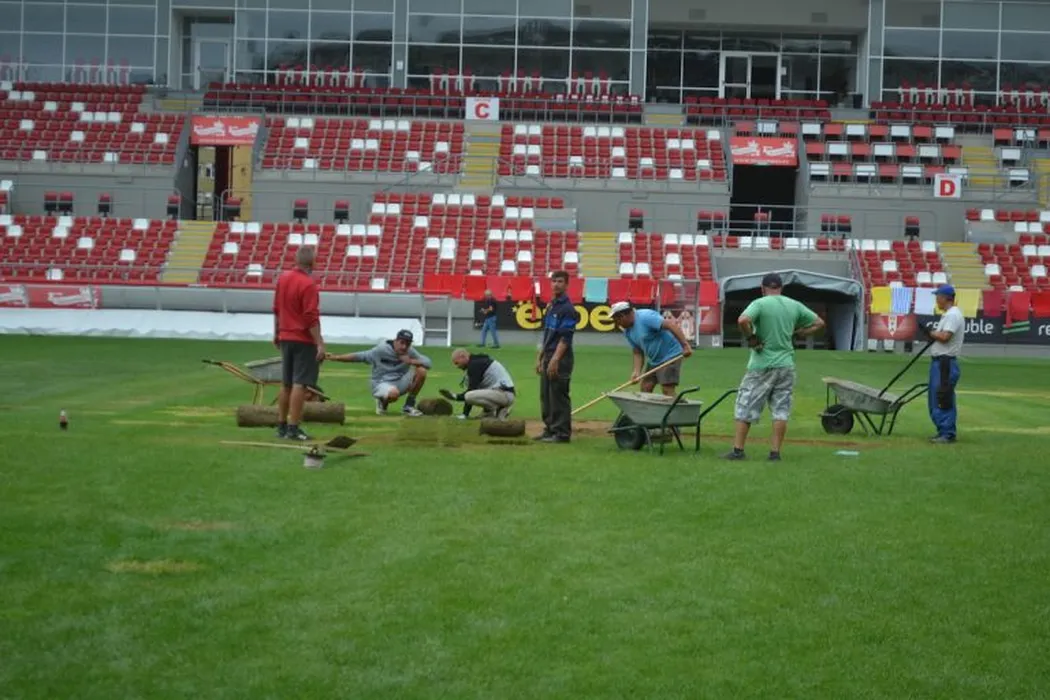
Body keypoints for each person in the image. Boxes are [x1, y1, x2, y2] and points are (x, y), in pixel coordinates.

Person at [725, 273, 825, 461]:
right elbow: (819, 323)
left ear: (762, 288)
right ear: (781, 288)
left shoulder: (759, 304)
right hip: (786, 364)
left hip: (762, 363)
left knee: (746, 404)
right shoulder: (794, 305)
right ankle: (775, 452)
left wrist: (751, 338)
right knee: (781, 409)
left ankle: (738, 450)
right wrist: (802, 332)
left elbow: (742, 320)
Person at [273, 246, 326, 441]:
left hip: (285, 335)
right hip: (303, 339)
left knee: (286, 383)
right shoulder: (308, 284)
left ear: (296, 260)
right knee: (300, 384)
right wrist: (319, 343)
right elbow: (310, 316)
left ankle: (281, 426)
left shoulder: (283, 278)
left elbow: (277, 308)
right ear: (313, 262)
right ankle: (293, 427)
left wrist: (277, 332)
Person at [326, 329, 430, 417]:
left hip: (401, 380)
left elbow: (428, 363)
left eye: (407, 344)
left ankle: (409, 406)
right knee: (393, 394)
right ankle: (382, 401)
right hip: (381, 382)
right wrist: (336, 357)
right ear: (395, 341)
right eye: (402, 343)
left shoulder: (410, 352)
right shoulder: (381, 350)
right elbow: (359, 356)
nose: (404, 347)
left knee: (422, 371)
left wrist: (411, 361)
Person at [609, 301, 693, 396]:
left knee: (667, 389)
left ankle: (677, 405)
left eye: (617, 320)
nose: (617, 324)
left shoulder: (645, 317)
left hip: (670, 355)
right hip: (654, 360)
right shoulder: (627, 331)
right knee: (646, 387)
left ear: (623, 316)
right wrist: (636, 371)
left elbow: (670, 325)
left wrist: (685, 345)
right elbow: (637, 351)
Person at [535, 270, 579, 443]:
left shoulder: (568, 309)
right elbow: (547, 334)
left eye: (560, 281)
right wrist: (540, 357)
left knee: (558, 395)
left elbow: (565, 338)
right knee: (546, 395)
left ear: (566, 285)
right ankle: (549, 429)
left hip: (561, 357)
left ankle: (561, 433)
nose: (556, 284)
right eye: (554, 281)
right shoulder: (551, 306)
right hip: (548, 354)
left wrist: (555, 359)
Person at [921, 284, 963, 444]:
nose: (936, 300)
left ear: (945, 298)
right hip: (941, 362)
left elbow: (945, 337)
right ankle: (943, 431)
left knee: (943, 396)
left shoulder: (952, 315)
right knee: (937, 396)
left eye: (938, 297)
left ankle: (947, 433)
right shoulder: (949, 315)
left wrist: (929, 332)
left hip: (945, 363)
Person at [441, 348, 516, 420]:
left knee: (469, 396)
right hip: (503, 394)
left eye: (457, 363)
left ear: (463, 356)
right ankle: (489, 412)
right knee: (469, 388)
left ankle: (500, 409)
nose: (457, 366)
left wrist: (456, 398)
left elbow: (471, 390)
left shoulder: (474, 365)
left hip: (504, 394)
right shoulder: (478, 362)